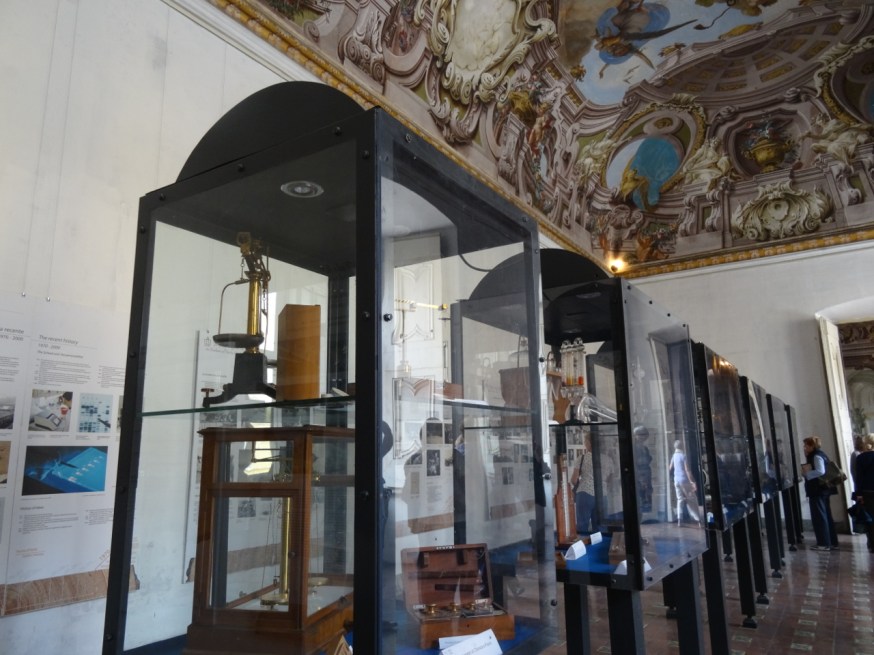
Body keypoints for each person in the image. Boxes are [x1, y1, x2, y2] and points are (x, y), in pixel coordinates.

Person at [801, 436, 839, 551]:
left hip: (818, 490)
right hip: (822, 490)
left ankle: (824, 543)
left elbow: (820, 471)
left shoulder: (816, 455)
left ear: (812, 446)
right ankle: (831, 542)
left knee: (820, 516)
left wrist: (807, 474)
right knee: (825, 515)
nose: (805, 448)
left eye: (806, 445)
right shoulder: (819, 454)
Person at [669, 440, 700, 526]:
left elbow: (670, 467)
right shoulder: (683, 456)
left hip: (677, 480)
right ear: (682, 446)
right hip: (684, 481)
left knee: (680, 500)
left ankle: (679, 519)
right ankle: (698, 519)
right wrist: (692, 481)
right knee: (692, 499)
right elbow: (687, 470)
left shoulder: (674, 456)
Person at [570, 432, 597, 534]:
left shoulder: (582, 458)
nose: (585, 443)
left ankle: (582, 546)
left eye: (585, 441)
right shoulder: (606, 458)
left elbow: (574, 479)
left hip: (585, 493)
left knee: (582, 524)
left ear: (589, 443)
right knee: (598, 526)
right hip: (602, 495)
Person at [853, 433, 874, 553]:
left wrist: (859, 494)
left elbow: (859, 478)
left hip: (867, 491)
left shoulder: (861, 458)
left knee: (870, 519)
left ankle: (872, 543)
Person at [633, 425, 653, 513]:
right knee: (641, 493)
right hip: (640, 474)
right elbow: (638, 462)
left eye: (644, 435)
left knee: (646, 492)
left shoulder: (644, 448)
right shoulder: (635, 447)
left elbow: (647, 459)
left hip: (646, 473)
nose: (643, 437)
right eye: (640, 435)